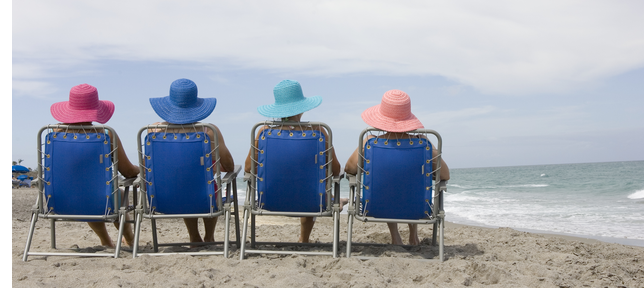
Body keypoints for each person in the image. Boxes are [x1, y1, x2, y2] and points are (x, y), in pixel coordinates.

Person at [345, 89, 450, 246]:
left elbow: (349, 169)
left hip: (377, 207)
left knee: (389, 183)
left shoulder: (369, 143)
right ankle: (413, 237)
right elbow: (445, 175)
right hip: (418, 208)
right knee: (408, 182)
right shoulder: (423, 145)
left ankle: (395, 237)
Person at [245, 79, 341, 243]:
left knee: (308, 178)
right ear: (302, 109)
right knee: (312, 179)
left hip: (268, 201)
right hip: (311, 201)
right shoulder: (318, 132)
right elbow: (336, 170)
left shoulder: (263, 132)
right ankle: (304, 239)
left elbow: (248, 168)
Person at [50, 83, 140, 248]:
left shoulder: (54, 136)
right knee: (113, 195)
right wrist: (139, 169)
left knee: (87, 191)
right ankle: (130, 238)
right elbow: (127, 171)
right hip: (99, 199)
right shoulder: (105, 135)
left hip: (59, 200)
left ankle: (105, 240)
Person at [148, 78, 235, 244]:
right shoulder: (208, 131)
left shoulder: (154, 130)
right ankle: (209, 237)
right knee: (203, 183)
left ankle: (194, 236)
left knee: (182, 180)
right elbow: (230, 165)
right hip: (203, 197)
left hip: (162, 199)